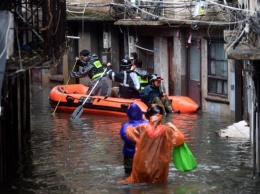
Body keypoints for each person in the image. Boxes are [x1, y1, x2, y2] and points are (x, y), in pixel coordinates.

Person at [117, 104, 185, 184]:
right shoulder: (167, 130)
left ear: (148, 116)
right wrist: (174, 127)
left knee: (138, 183)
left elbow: (129, 132)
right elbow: (179, 139)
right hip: (160, 165)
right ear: (162, 116)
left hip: (143, 163)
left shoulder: (142, 127)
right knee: (159, 185)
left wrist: (131, 125)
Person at [120, 103, 148, 174]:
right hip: (144, 155)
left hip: (129, 155)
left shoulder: (125, 126)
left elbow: (125, 137)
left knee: (128, 173)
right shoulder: (147, 124)